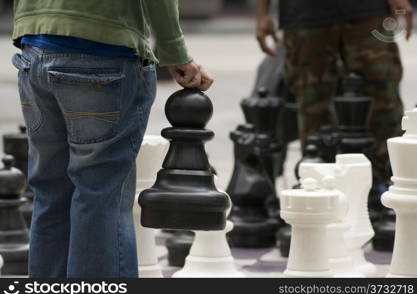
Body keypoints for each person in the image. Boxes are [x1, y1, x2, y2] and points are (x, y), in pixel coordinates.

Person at [11, 0, 213, 278]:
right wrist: (174, 50)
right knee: (99, 194)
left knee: (50, 192)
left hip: (34, 47)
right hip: (104, 49)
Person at [256, 0, 413, 181]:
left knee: (383, 100)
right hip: (305, 14)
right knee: (313, 105)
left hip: (367, 11)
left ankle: (390, 184)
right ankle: (320, 186)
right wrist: (262, 14)